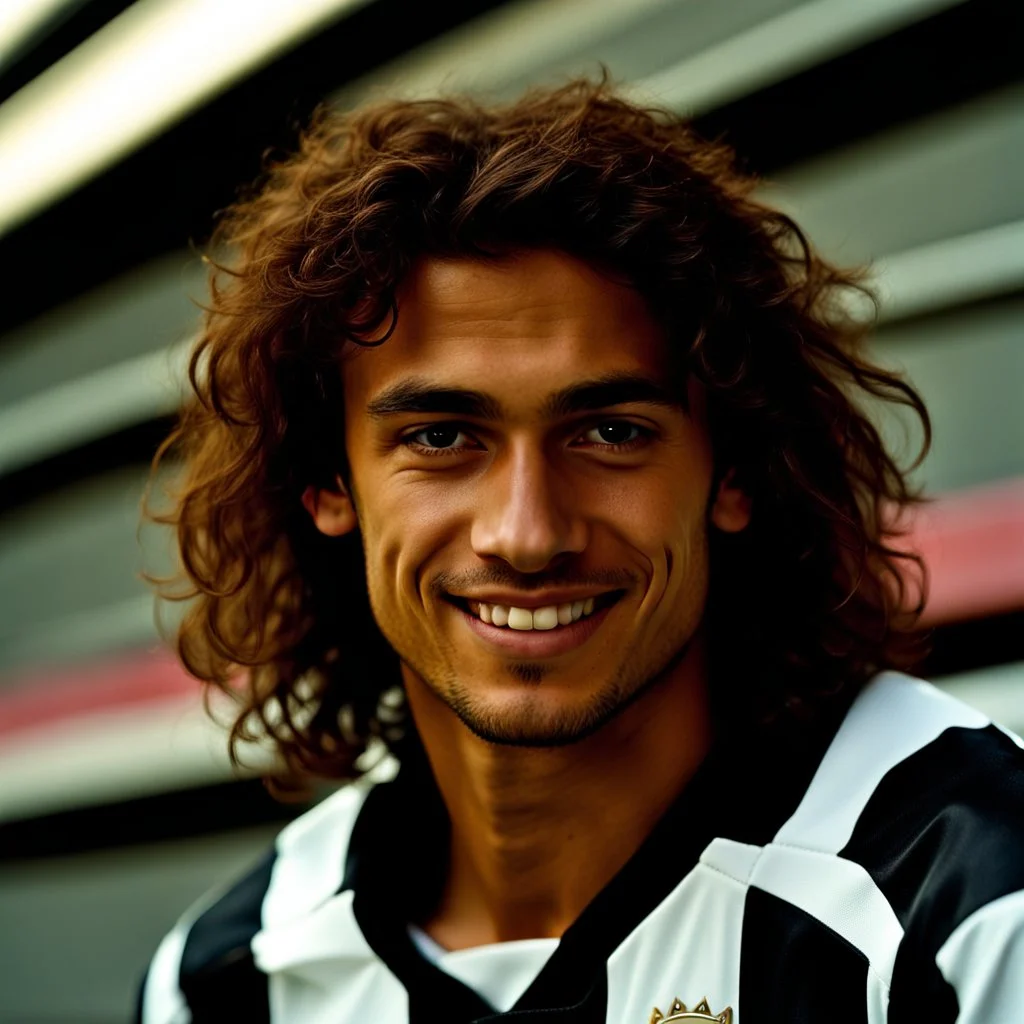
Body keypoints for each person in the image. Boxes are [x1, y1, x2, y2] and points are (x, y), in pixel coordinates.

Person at [137, 80, 1024, 1023]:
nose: (527, 534)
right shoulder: (229, 982)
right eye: (441, 438)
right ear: (327, 484)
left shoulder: (967, 905)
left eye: (609, 432)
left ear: (733, 470)